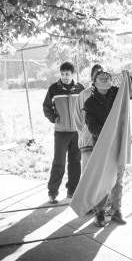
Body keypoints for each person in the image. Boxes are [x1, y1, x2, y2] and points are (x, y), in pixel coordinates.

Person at [84, 68, 132, 226]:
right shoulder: (90, 103)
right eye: (100, 77)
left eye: (107, 76)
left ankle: (117, 211)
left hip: (120, 143)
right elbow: (92, 127)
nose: (104, 78)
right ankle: (99, 213)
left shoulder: (118, 93)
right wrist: (109, 132)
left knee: (118, 180)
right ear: (94, 83)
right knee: (103, 180)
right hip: (103, 146)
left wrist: (129, 79)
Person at [43, 61, 85, 204]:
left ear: (73, 74)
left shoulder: (80, 88)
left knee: (75, 162)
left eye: (67, 74)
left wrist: (83, 123)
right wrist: (55, 118)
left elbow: (86, 106)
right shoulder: (54, 89)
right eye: (62, 74)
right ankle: (52, 193)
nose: (65, 77)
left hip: (77, 132)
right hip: (61, 132)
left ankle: (72, 191)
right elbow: (46, 107)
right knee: (58, 162)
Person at [74, 63, 103, 168]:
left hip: (104, 141)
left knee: (102, 176)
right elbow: (77, 118)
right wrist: (83, 135)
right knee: (87, 176)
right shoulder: (84, 95)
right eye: (97, 73)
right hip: (88, 142)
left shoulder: (110, 94)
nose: (100, 75)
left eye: (102, 73)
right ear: (92, 77)